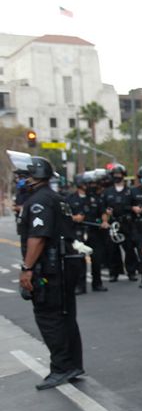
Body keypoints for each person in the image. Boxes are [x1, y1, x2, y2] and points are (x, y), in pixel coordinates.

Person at [18, 157, 85, 390]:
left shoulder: (38, 201)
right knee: (66, 317)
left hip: (50, 269)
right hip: (65, 266)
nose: (22, 179)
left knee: (50, 319)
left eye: (25, 175)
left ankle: (61, 368)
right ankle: (73, 365)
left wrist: (27, 269)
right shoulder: (57, 198)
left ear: (33, 176)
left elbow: (38, 237)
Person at [101, 164, 139, 282]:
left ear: (123, 176)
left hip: (127, 223)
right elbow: (103, 209)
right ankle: (114, 272)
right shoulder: (107, 192)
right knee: (112, 250)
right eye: (115, 175)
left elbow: (135, 206)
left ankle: (131, 272)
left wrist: (134, 209)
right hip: (113, 223)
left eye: (119, 174)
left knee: (129, 249)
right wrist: (105, 219)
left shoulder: (130, 191)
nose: (117, 176)